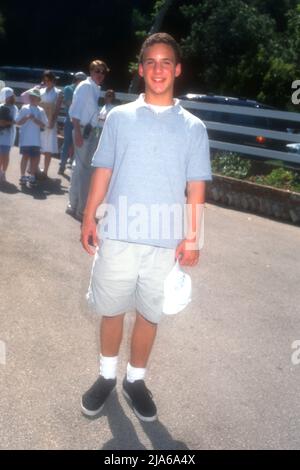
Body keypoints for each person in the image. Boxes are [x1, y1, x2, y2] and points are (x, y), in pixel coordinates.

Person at [80, 33, 212, 422]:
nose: (158, 69)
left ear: (178, 69)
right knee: (111, 310)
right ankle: (106, 376)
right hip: (117, 234)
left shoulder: (193, 127)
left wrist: (192, 237)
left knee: (150, 315)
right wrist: (89, 216)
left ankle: (134, 381)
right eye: (151, 62)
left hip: (163, 240)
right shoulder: (119, 118)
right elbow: (103, 170)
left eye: (166, 62)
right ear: (141, 69)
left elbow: (196, 188)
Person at [67, 60, 109, 221]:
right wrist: (77, 132)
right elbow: (75, 111)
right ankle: (80, 208)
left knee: (81, 169)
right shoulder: (85, 86)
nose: (100, 74)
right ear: (91, 71)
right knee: (84, 171)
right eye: (97, 71)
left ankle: (74, 205)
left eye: (103, 72)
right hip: (82, 130)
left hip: (89, 131)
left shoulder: (95, 88)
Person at [16, 88, 48, 187]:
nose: (33, 98)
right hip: (25, 138)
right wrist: (26, 117)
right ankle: (22, 176)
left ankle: (32, 176)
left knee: (35, 158)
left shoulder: (41, 110)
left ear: (39, 99)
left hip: (36, 140)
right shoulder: (24, 108)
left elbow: (44, 125)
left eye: (35, 97)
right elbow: (18, 122)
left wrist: (34, 119)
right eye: (31, 97)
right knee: (25, 157)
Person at [58, 71, 87, 175]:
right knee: (67, 142)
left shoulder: (84, 91)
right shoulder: (68, 89)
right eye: (81, 79)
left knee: (78, 144)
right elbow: (69, 103)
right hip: (70, 120)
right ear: (76, 79)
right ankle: (62, 165)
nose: (82, 82)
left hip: (81, 121)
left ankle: (73, 165)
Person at [38, 70, 63, 178]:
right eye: (45, 80)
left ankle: (45, 171)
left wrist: (53, 121)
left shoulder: (58, 92)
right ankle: (35, 167)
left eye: (49, 80)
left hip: (50, 121)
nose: (47, 82)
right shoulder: (40, 90)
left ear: (53, 80)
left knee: (48, 147)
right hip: (40, 121)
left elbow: (57, 108)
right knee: (38, 145)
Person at [0, 87, 18, 182]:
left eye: (9, 96)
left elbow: (15, 121)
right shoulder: (0, 106)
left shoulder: (14, 108)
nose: (8, 98)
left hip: (8, 135)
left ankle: (3, 172)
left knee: (5, 155)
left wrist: (5, 122)